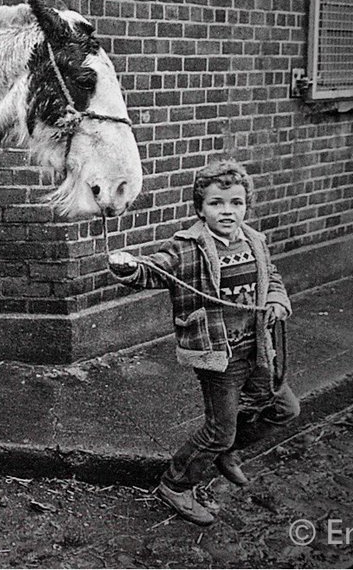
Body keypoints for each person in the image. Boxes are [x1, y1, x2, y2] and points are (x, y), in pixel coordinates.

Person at [107, 158, 299, 526]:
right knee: (218, 428)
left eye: (236, 203)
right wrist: (131, 267)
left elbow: (271, 276)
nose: (227, 212)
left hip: (257, 348)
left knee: (284, 409)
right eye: (216, 203)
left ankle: (225, 452)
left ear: (246, 205)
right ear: (200, 208)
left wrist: (276, 299)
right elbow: (154, 269)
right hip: (218, 356)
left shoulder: (255, 240)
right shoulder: (188, 246)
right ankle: (176, 484)